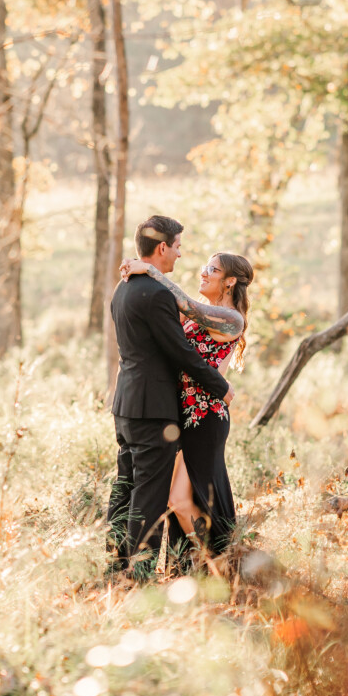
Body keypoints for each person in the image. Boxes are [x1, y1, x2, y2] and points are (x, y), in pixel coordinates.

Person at [107, 216, 234, 577]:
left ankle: (114, 569)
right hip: (153, 409)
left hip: (127, 404)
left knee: (125, 488)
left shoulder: (124, 287)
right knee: (148, 496)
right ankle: (140, 579)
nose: (180, 255)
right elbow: (180, 351)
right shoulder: (156, 292)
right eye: (177, 246)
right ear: (162, 248)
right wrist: (221, 386)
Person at [119, 251, 251, 558]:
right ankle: (196, 570)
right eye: (205, 267)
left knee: (180, 499)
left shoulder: (232, 320)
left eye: (212, 269)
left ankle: (220, 565)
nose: (203, 273)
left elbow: (185, 304)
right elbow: (168, 310)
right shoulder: (199, 312)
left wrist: (150, 269)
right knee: (176, 498)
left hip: (205, 418)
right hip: (180, 415)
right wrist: (136, 274)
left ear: (230, 281)